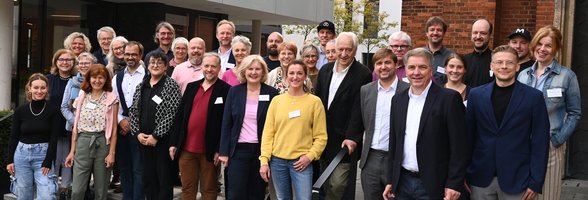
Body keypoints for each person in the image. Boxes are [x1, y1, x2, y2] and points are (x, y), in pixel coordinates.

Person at [382, 48, 468, 200]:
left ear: (431, 70)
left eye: (422, 67)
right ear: (405, 70)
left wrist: (454, 183)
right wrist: (391, 179)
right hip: (403, 182)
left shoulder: (449, 99)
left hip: (435, 183)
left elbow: (459, 146)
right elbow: (394, 143)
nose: (416, 72)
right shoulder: (398, 100)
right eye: (411, 67)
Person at [467, 45, 550, 200]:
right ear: (491, 66)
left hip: (518, 179)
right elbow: (468, 138)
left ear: (518, 66)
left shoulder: (534, 97)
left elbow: (540, 142)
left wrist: (535, 182)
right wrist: (463, 174)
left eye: (509, 63)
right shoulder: (476, 95)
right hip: (480, 178)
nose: (504, 66)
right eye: (499, 62)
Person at [518, 26, 582, 200]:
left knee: (548, 196)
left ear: (556, 48)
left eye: (548, 45)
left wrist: (558, 140)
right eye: (539, 44)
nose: (542, 49)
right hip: (522, 144)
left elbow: (575, 112)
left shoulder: (567, 76)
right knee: (522, 195)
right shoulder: (523, 75)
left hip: (549, 144)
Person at [342, 48, 409, 200]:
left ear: (395, 64)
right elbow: (358, 119)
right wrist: (351, 138)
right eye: (379, 63)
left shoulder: (407, 90)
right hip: (371, 157)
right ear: (374, 67)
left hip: (397, 158)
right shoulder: (366, 90)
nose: (383, 67)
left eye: (387, 62)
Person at [259, 60, 327, 200]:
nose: (295, 77)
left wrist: (309, 157)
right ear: (286, 76)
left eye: (299, 73)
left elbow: (321, 137)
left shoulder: (314, 102)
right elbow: (268, 134)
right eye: (291, 73)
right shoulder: (277, 101)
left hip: (301, 163)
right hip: (277, 161)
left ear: (305, 76)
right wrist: (264, 161)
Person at [315, 32, 372, 200]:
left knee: (338, 184)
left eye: (349, 49)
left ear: (355, 50)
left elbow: (359, 109)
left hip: (345, 140)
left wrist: (353, 137)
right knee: (323, 180)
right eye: (341, 49)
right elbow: (317, 102)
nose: (344, 54)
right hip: (322, 137)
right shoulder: (325, 70)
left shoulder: (363, 74)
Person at [169, 52, 230, 200]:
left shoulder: (226, 90)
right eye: (206, 65)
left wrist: (219, 149)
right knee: (188, 188)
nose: (209, 69)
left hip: (209, 150)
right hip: (186, 149)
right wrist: (173, 143)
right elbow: (180, 117)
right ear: (202, 66)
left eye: (213, 66)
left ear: (219, 68)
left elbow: (226, 123)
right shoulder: (191, 87)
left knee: (209, 190)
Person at [219, 55, 279, 199]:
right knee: (236, 193)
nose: (254, 72)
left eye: (258, 69)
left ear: (263, 72)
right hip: (238, 150)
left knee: (256, 193)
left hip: (261, 151)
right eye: (250, 69)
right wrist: (224, 152)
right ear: (244, 71)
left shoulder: (272, 93)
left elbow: (275, 125)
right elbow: (227, 122)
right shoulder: (234, 91)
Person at [128, 51, 181, 200]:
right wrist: (137, 133)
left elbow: (172, 113)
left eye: (159, 63)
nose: (155, 65)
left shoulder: (171, 85)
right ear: (147, 66)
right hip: (143, 140)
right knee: (148, 179)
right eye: (152, 62)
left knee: (163, 179)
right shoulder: (142, 86)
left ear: (165, 67)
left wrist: (156, 135)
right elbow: (133, 111)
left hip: (162, 142)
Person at [64, 64, 118, 200]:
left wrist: (111, 153)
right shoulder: (82, 97)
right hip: (83, 142)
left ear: (106, 80)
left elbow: (114, 129)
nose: (97, 81)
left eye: (101, 78)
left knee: (101, 190)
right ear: (89, 79)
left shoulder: (112, 98)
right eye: (94, 77)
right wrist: (72, 151)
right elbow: (75, 127)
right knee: (77, 190)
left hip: (102, 143)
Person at [6, 73, 61, 200]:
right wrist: (10, 160)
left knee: (47, 195)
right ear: (29, 88)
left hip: (43, 157)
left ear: (47, 89)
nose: (39, 91)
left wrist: (48, 161)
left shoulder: (53, 111)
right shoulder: (20, 110)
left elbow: (54, 138)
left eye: (43, 88)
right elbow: (14, 136)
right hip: (21, 156)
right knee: (24, 195)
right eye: (36, 87)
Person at [112, 41, 147, 200]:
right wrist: (120, 121)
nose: (130, 57)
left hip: (141, 129)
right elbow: (114, 103)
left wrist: (132, 123)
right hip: (121, 129)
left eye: (134, 54)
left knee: (139, 170)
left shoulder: (148, 76)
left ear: (140, 56)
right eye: (127, 54)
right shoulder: (117, 77)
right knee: (125, 168)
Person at [421, 16, 454, 84]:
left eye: (439, 30)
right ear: (427, 33)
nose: (435, 33)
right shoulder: (419, 54)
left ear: (444, 33)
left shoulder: (451, 56)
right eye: (432, 29)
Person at [464, 19, 494, 87]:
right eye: (475, 33)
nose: (478, 36)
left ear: (490, 35)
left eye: (483, 33)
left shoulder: (496, 60)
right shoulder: (464, 60)